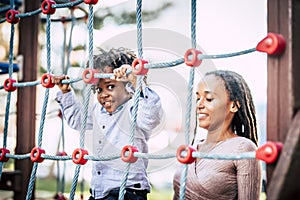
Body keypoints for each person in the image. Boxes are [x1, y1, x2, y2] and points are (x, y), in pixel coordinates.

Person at [52, 47, 163, 200]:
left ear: (128, 87)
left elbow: (151, 117)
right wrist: (66, 92)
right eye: (98, 89)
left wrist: (135, 80)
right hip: (99, 190)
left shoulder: (134, 108)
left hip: (128, 191)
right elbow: (78, 121)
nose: (103, 94)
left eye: (110, 86)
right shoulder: (98, 111)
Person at [173, 70, 262, 200]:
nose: (199, 105)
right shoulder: (193, 148)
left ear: (234, 105)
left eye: (209, 99)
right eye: (198, 98)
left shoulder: (243, 148)